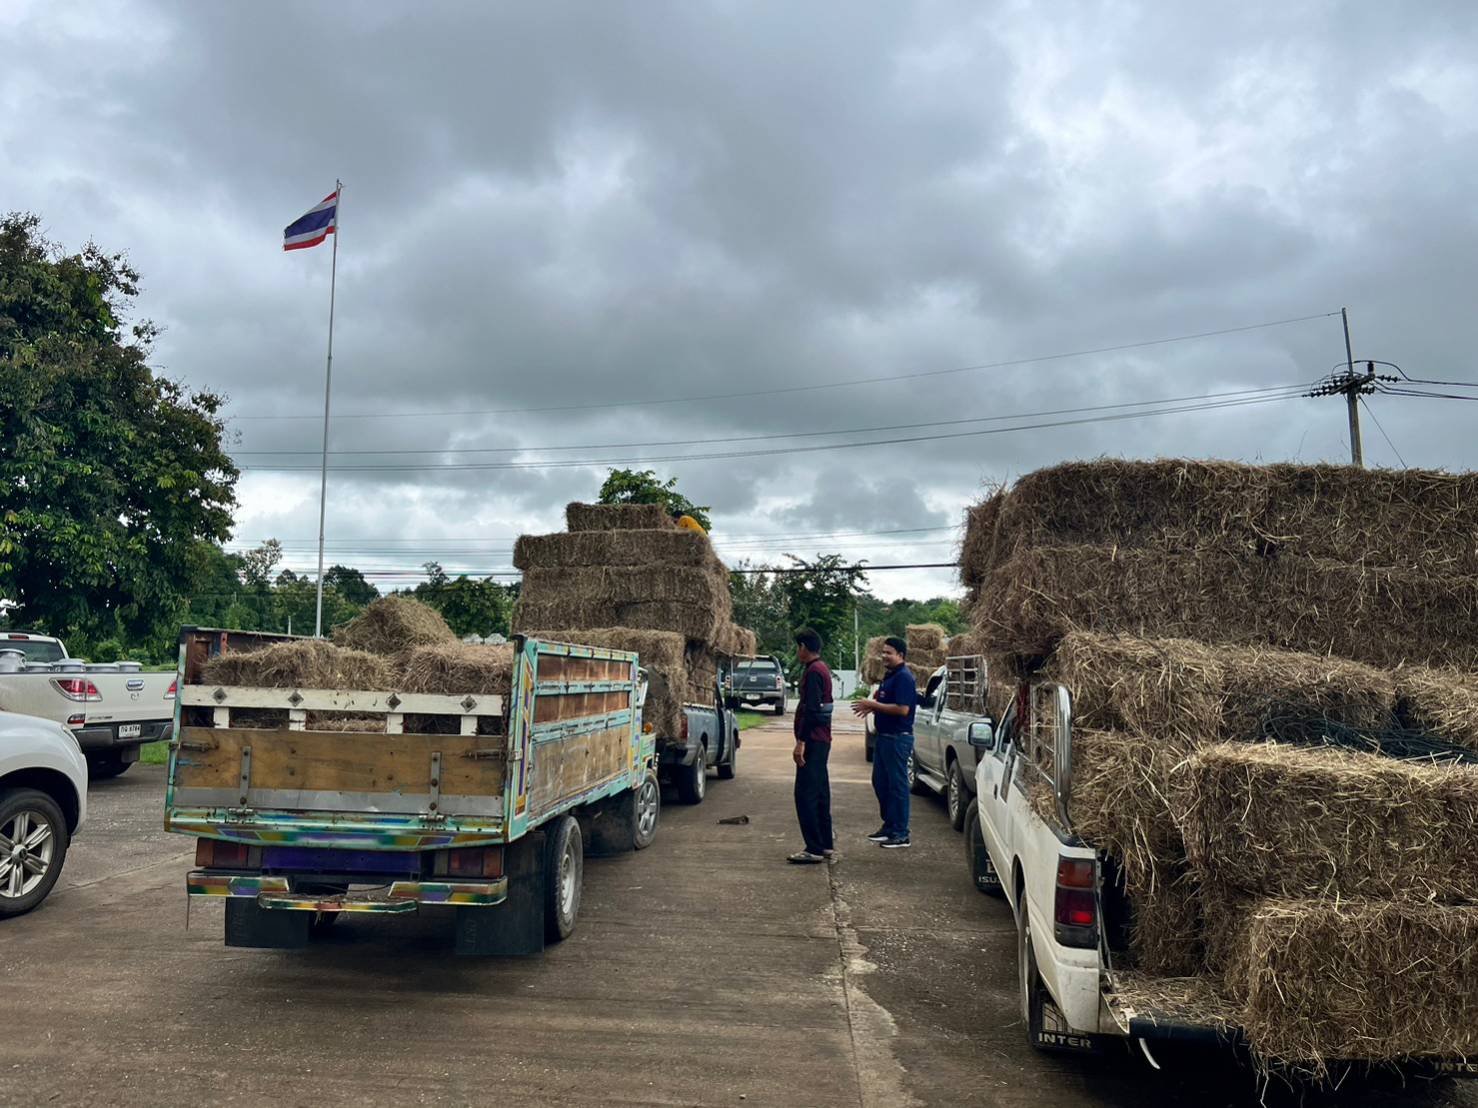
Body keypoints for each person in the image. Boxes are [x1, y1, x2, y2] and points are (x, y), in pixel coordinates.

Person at [851, 636, 917, 849]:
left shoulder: (904, 678)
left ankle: (900, 833)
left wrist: (873, 704)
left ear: (901, 655)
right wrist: (873, 706)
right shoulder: (890, 677)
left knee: (897, 787)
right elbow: (887, 702)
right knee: (881, 783)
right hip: (884, 738)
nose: (884, 656)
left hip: (898, 739)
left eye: (889, 652)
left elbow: (903, 709)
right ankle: (889, 827)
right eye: (883, 652)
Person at [788, 628, 835, 864]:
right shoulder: (821, 669)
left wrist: (801, 742)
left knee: (805, 794)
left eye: (798, 647)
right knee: (819, 793)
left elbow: (813, 711)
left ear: (804, 647)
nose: (797, 652)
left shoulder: (814, 672)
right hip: (821, 740)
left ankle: (813, 848)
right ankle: (825, 844)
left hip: (814, 741)